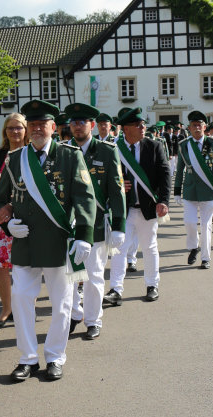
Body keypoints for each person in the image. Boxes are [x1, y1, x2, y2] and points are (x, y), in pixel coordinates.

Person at [0, 99, 96, 381]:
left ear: (53, 127)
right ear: (28, 130)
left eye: (43, 124)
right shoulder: (15, 160)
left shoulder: (70, 156)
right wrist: (8, 225)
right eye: (33, 124)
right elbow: (0, 199)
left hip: (58, 241)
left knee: (62, 303)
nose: (38, 129)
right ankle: (27, 358)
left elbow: (85, 198)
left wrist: (85, 235)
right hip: (25, 243)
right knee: (22, 299)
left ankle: (54, 356)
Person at [66, 103, 126, 339]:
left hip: (97, 224)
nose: (77, 126)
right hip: (68, 225)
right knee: (70, 276)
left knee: (94, 275)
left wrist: (119, 225)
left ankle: (93, 320)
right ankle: (73, 314)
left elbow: (117, 190)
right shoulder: (62, 150)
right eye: (73, 122)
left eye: (82, 122)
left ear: (91, 125)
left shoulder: (107, 151)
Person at [104, 107, 170, 304]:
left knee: (149, 247)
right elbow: (103, 176)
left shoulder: (154, 146)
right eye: (138, 125)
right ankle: (115, 290)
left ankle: (152, 285)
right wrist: (116, 186)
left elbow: (165, 174)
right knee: (119, 250)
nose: (143, 127)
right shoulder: (112, 148)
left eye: (143, 124)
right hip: (123, 209)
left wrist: (164, 200)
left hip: (147, 207)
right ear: (125, 129)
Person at [0, 113, 29, 328]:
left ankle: (25, 307)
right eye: (10, 128)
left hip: (27, 216)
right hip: (2, 217)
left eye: (19, 128)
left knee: (26, 265)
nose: (15, 132)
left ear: (26, 130)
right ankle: (7, 308)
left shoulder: (33, 153)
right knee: (0, 264)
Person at [173, 111, 213, 269]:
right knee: (189, 222)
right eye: (193, 125)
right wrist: (177, 191)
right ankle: (194, 247)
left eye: (199, 125)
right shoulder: (184, 145)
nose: (197, 128)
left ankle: (205, 258)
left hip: (208, 190)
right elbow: (180, 169)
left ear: (204, 127)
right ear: (189, 128)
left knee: (206, 225)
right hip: (190, 190)